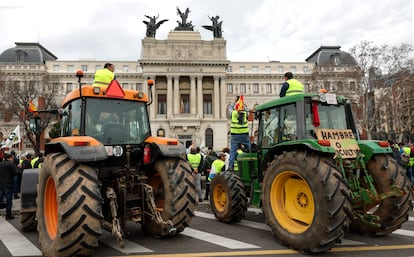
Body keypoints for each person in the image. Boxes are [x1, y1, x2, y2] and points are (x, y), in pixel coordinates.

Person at [228, 96, 251, 171]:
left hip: (235, 135)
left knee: (233, 151)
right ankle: (251, 163)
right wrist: (242, 103)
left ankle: (231, 166)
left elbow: (229, 110)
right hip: (244, 134)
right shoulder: (245, 113)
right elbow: (247, 111)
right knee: (249, 149)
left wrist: (235, 103)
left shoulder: (233, 113)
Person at [0, 153, 18, 220]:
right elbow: (15, 173)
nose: (12, 159)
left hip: (1, 185)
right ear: (9, 158)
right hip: (8, 184)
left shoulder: (0, 164)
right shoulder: (11, 164)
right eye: (12, 158)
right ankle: (8, 215)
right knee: (8, 200)